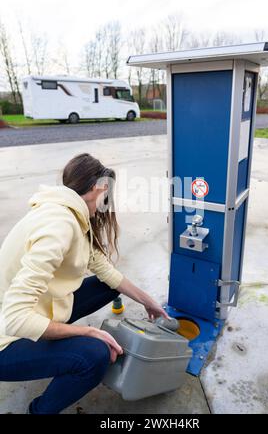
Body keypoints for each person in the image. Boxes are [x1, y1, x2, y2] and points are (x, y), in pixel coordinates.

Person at [0, 153, 169, 414]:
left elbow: (107, 272)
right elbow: (15, 319)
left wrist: (150, 303)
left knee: (108, 285)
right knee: (95, 354)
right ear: (98, 187)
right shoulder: (59, 226)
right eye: (106, 196)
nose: (105, 204)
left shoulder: (68, 214)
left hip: (36, 310)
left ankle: (58, 347)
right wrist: (89, 332)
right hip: (6, 340)